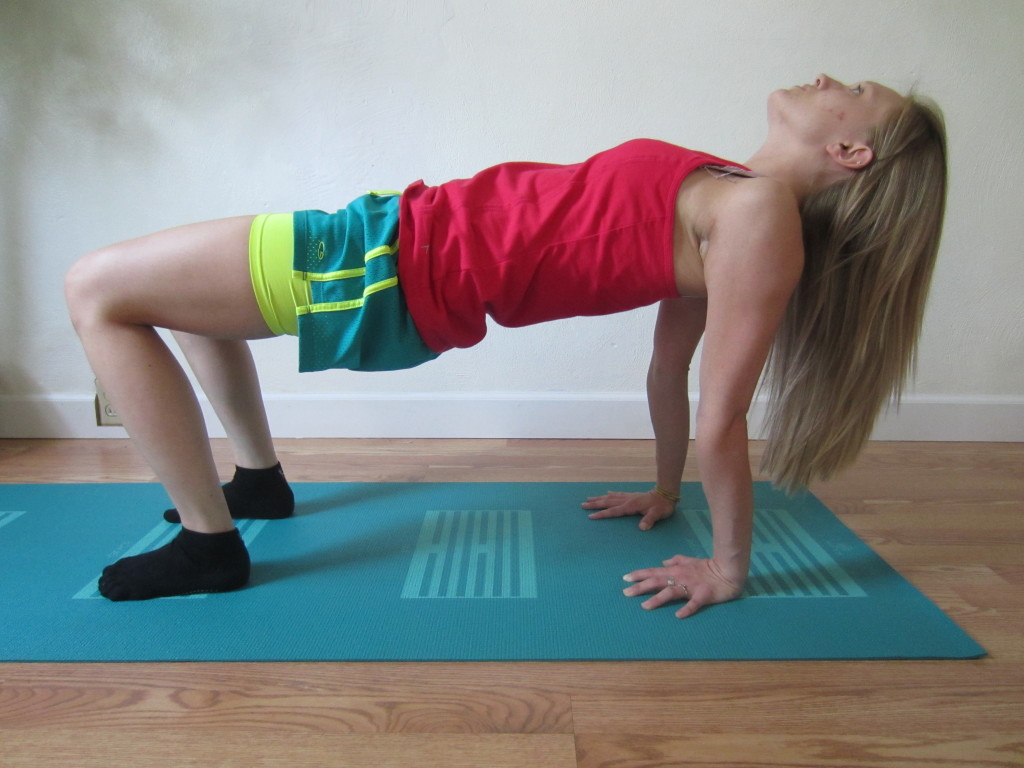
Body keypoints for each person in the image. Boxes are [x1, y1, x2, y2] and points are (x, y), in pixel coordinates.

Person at [64, 74, 947, 616]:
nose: (831, 76)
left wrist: (726, 566)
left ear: (849, 148)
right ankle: (256, 483)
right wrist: (664, 485)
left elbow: (721, 413)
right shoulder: (734, 192)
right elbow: (666, 370)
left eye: (857, 90)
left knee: (97, 291)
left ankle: (211, 549)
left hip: (396, 268)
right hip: (400, 239)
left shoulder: (759, 219)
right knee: (177, 301)